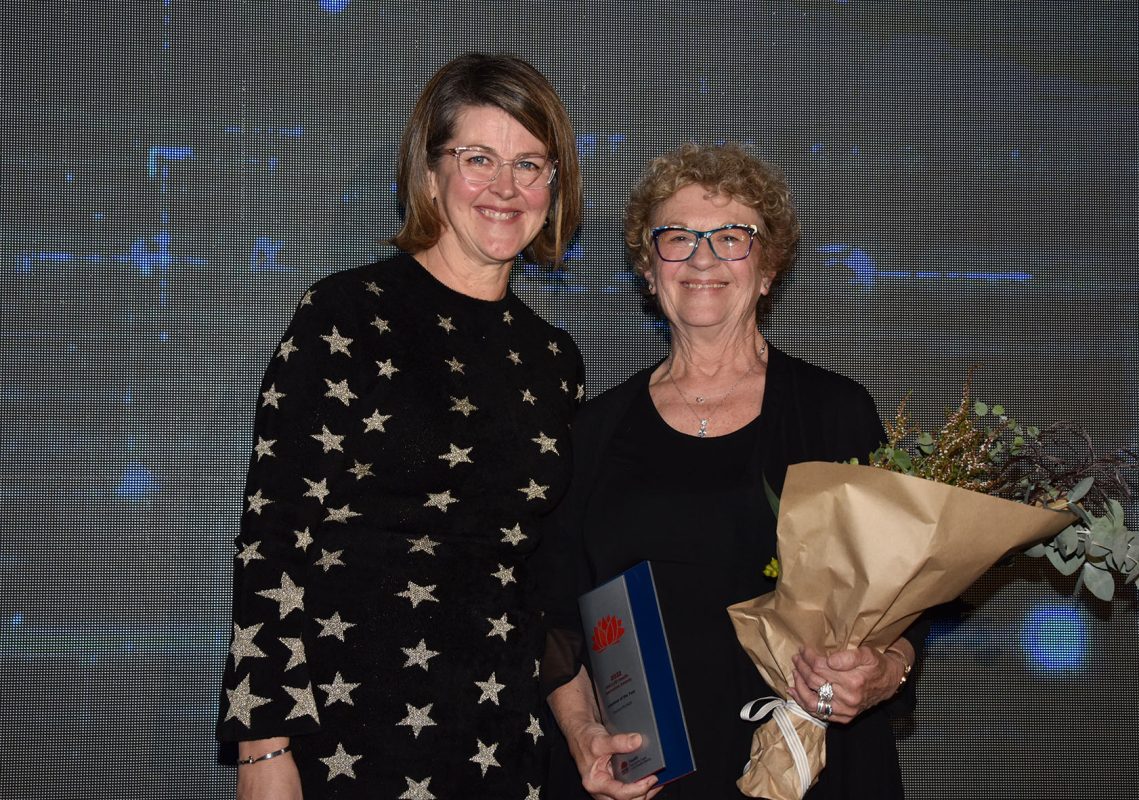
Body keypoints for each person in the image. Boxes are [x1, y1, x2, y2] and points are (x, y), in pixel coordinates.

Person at [217, 52, 583, 799]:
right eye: (478, 158)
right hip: (349, 744)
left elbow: (536, 579)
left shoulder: (554, 359)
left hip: (503, 747)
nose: (505, 188)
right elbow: (273, 536)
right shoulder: (344, 315)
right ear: (429, 172)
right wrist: (263, 750)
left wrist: (582, 726)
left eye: (530, 164)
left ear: (554, 184)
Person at [540, 143, 925, 799]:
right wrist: (584, 736)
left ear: (769, 268)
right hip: (652, 781)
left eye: (730, 237)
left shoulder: (836, 413)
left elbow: (903, 610)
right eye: (677, 238)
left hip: (812, 771)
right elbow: (553, 622)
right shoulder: (592, 431)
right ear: (647, 268)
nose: (702, 258)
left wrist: (883, 673)